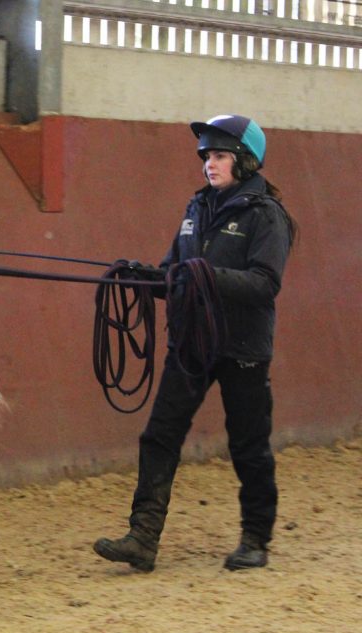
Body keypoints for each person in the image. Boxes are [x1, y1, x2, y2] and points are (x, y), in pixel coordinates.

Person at [94, 114, 298, 572]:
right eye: (207, 156)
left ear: (245, 160)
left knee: (248, 444)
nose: (210, 163)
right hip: (191, 342)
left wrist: (207, 275)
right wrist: (145, 278)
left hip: (241, 347)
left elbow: (265, 284)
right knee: (159, 435)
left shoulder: (266, 217)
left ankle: (255, 538)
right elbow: (176, 272)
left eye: (220, 155)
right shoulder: (197, 209)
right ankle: (143, 536)